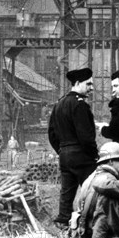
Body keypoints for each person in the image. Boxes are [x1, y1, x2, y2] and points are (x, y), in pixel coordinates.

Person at [48, 67, 98, 227]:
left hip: (65, 155)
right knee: (92, 191)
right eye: (88, 84)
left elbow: (52, 134)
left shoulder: (59, 104)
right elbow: (86, 137)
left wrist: (62, 150)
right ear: (77, 83)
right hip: (82, 156)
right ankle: (91, 224)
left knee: (66, 193)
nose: (91, 88)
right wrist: (94, 155)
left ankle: (63, 223)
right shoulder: (80, 105)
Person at [71, 142, 119, 238]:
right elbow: (103, 216)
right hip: (99, 236)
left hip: (84, 235)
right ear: (110, 161)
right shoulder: (109, 182)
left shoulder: (90, 178)